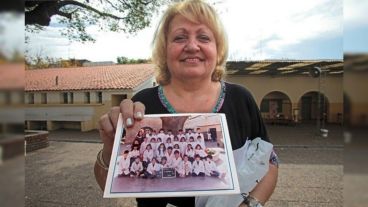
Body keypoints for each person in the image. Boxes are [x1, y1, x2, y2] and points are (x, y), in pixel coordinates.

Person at [95, 0, 278, 207]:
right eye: (180, 38)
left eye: (204, 37)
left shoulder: (241, 99)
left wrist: (251, 204)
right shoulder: (142, 104)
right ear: (165, 50)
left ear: (218, 49)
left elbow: (269, 161)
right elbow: (108, 185)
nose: (192, 46)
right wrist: (111, 149)